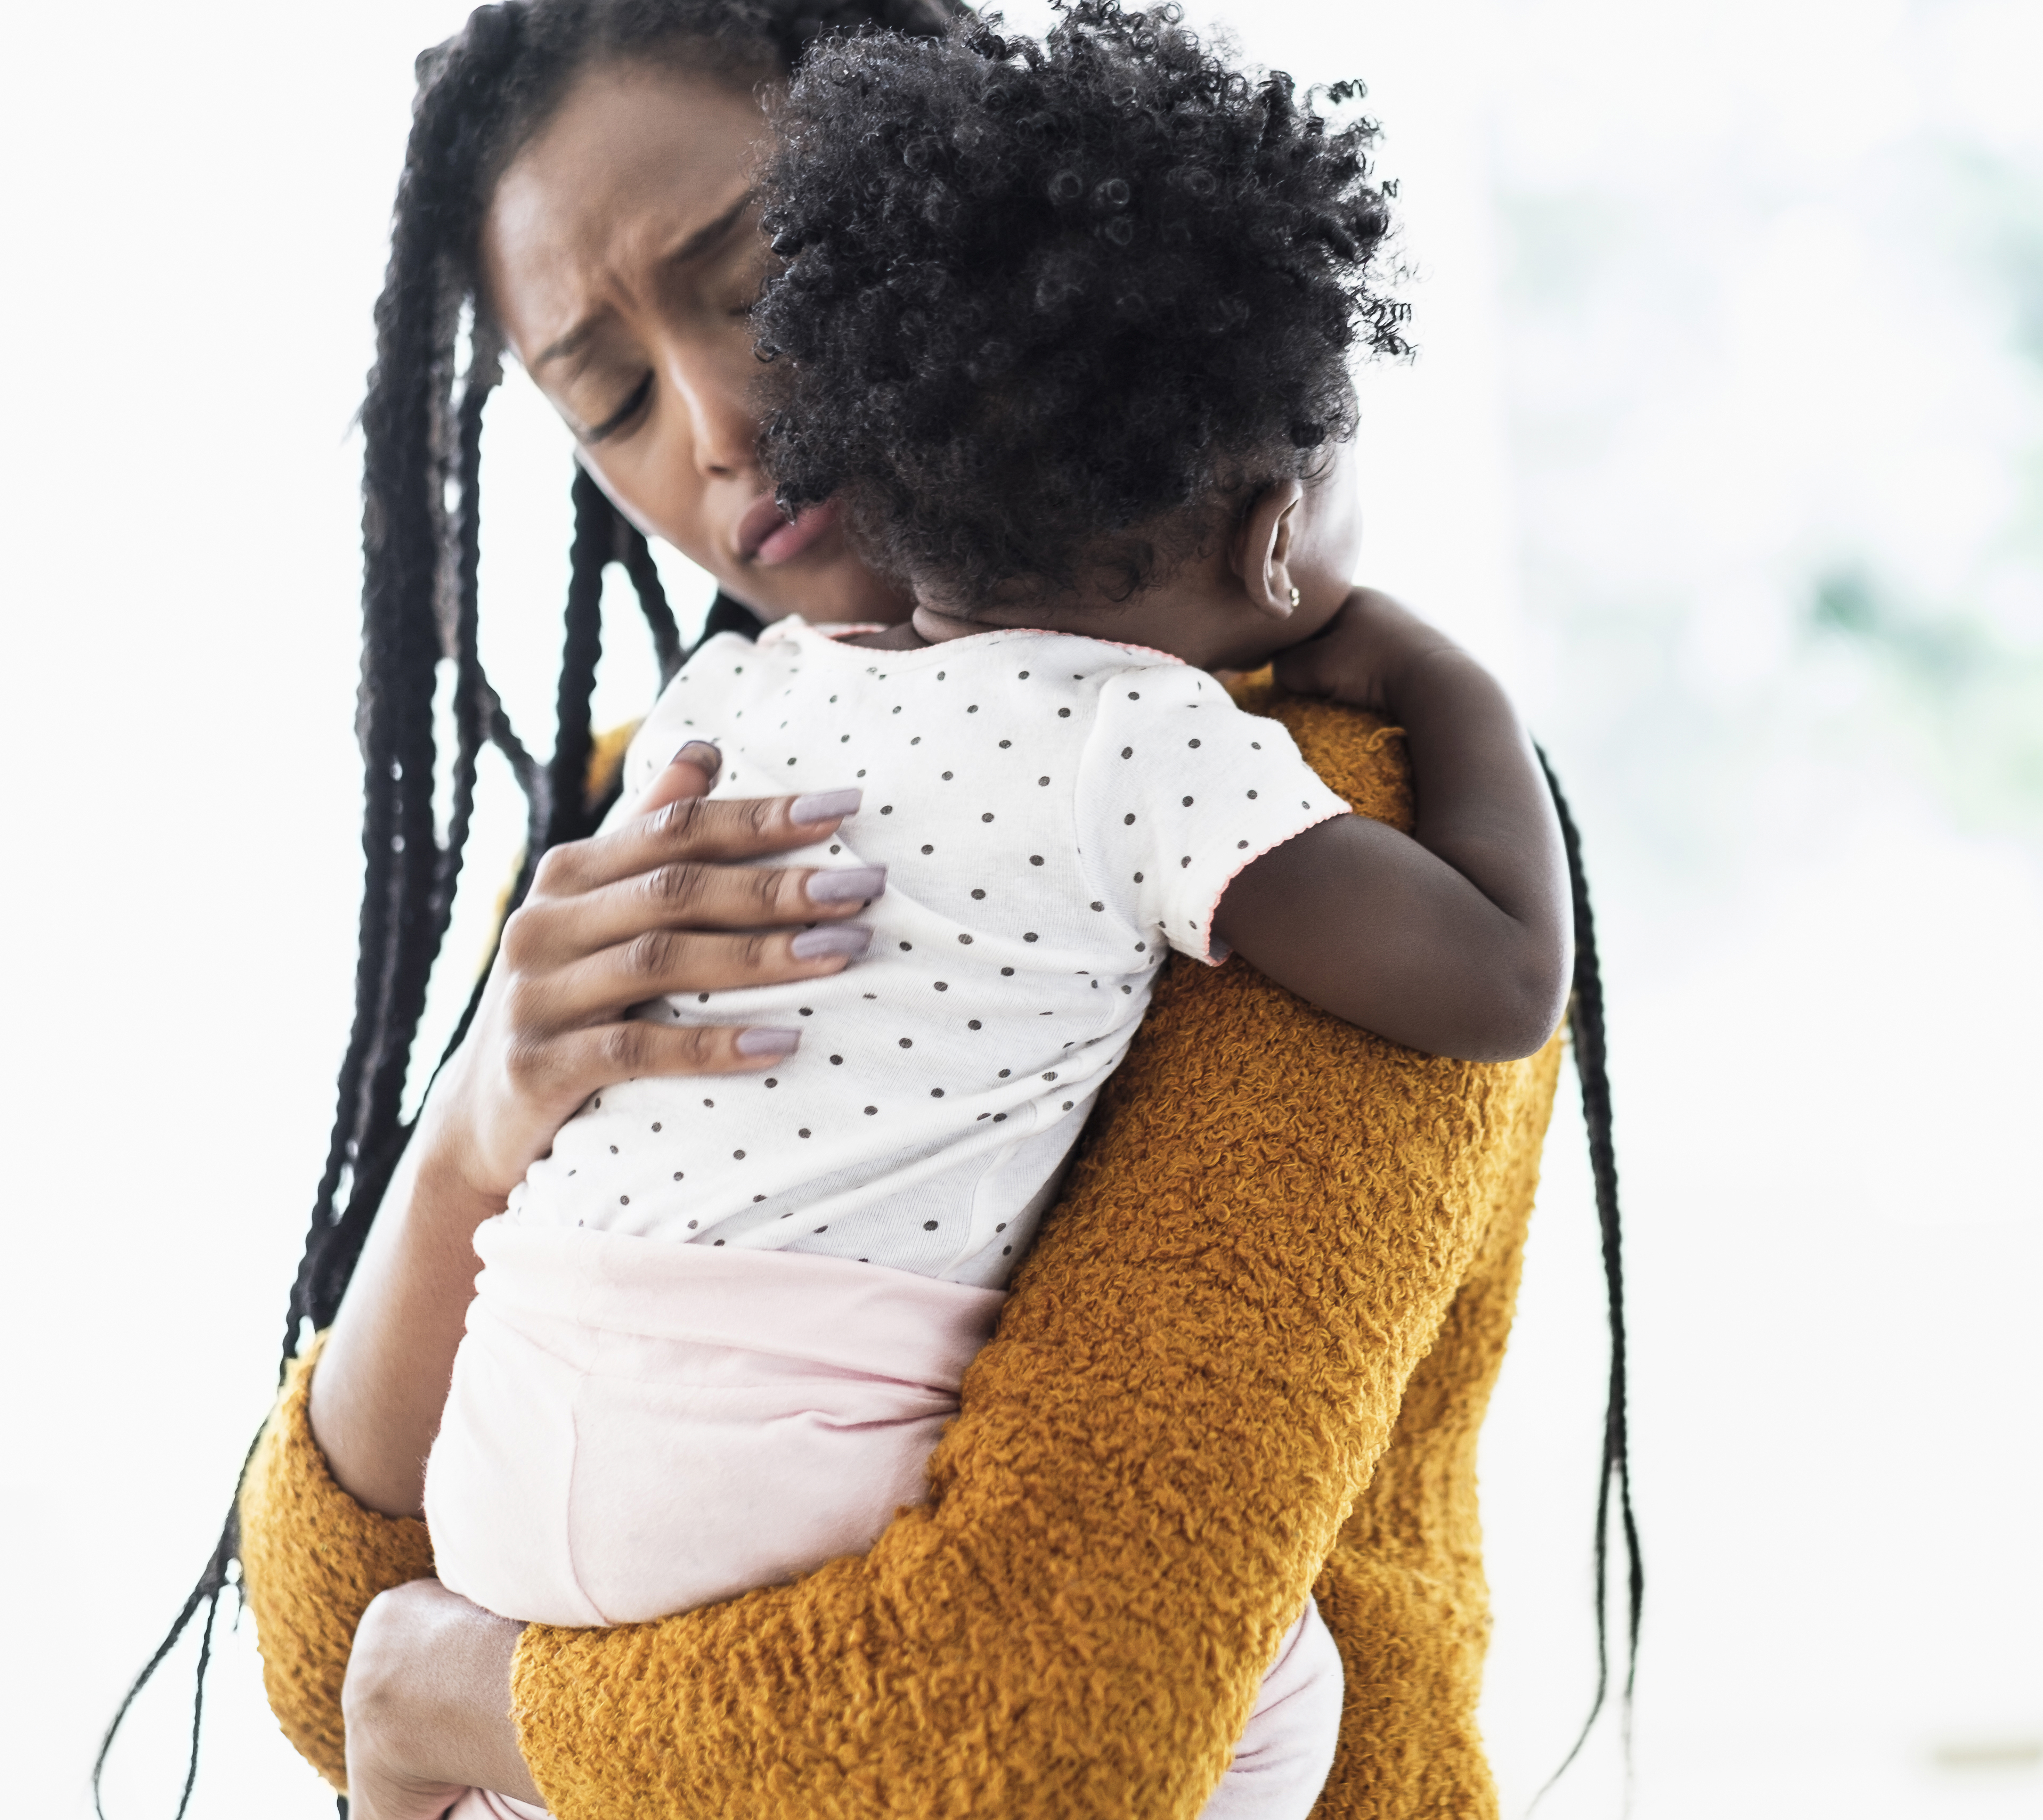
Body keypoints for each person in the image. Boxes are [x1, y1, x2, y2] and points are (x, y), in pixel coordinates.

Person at [98, 4, 1637, 1818]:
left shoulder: (1316, 820)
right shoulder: (681, 789)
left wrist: (463, 1704)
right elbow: (333, 1640)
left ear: (969, 214)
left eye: (757, 276)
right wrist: (467, 1147)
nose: (720, 424)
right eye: (604, 395)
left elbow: (1036, 1723)